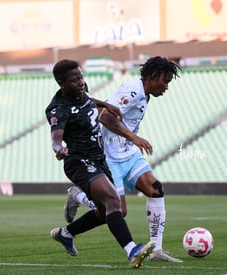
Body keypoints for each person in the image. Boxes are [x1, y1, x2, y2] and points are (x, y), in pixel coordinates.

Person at [63, 56, 182, 262]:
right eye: (165, 80)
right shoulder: (133, 91)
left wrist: (130, 140)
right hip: (108, 157)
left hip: (127, 154)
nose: (166, 86)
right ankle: (79, 197)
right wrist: (134, 137)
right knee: (119, 211)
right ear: (153, 76)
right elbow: (104, 115)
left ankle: (156, 249)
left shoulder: (145, 94)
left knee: (155, 189)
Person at [45, 59, 155, 268]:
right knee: (113, 201)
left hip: (99, 159)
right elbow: (56, 138)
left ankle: (66, 233)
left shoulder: (80, 92)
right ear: (61, 83)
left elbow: (86, 100)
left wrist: (105, 104)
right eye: (74, 80)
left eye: (81, 78)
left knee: (107, 213)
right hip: (79, 161)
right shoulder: (57, 109)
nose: (80, 82)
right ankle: (132, 250)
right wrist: (59, 149)